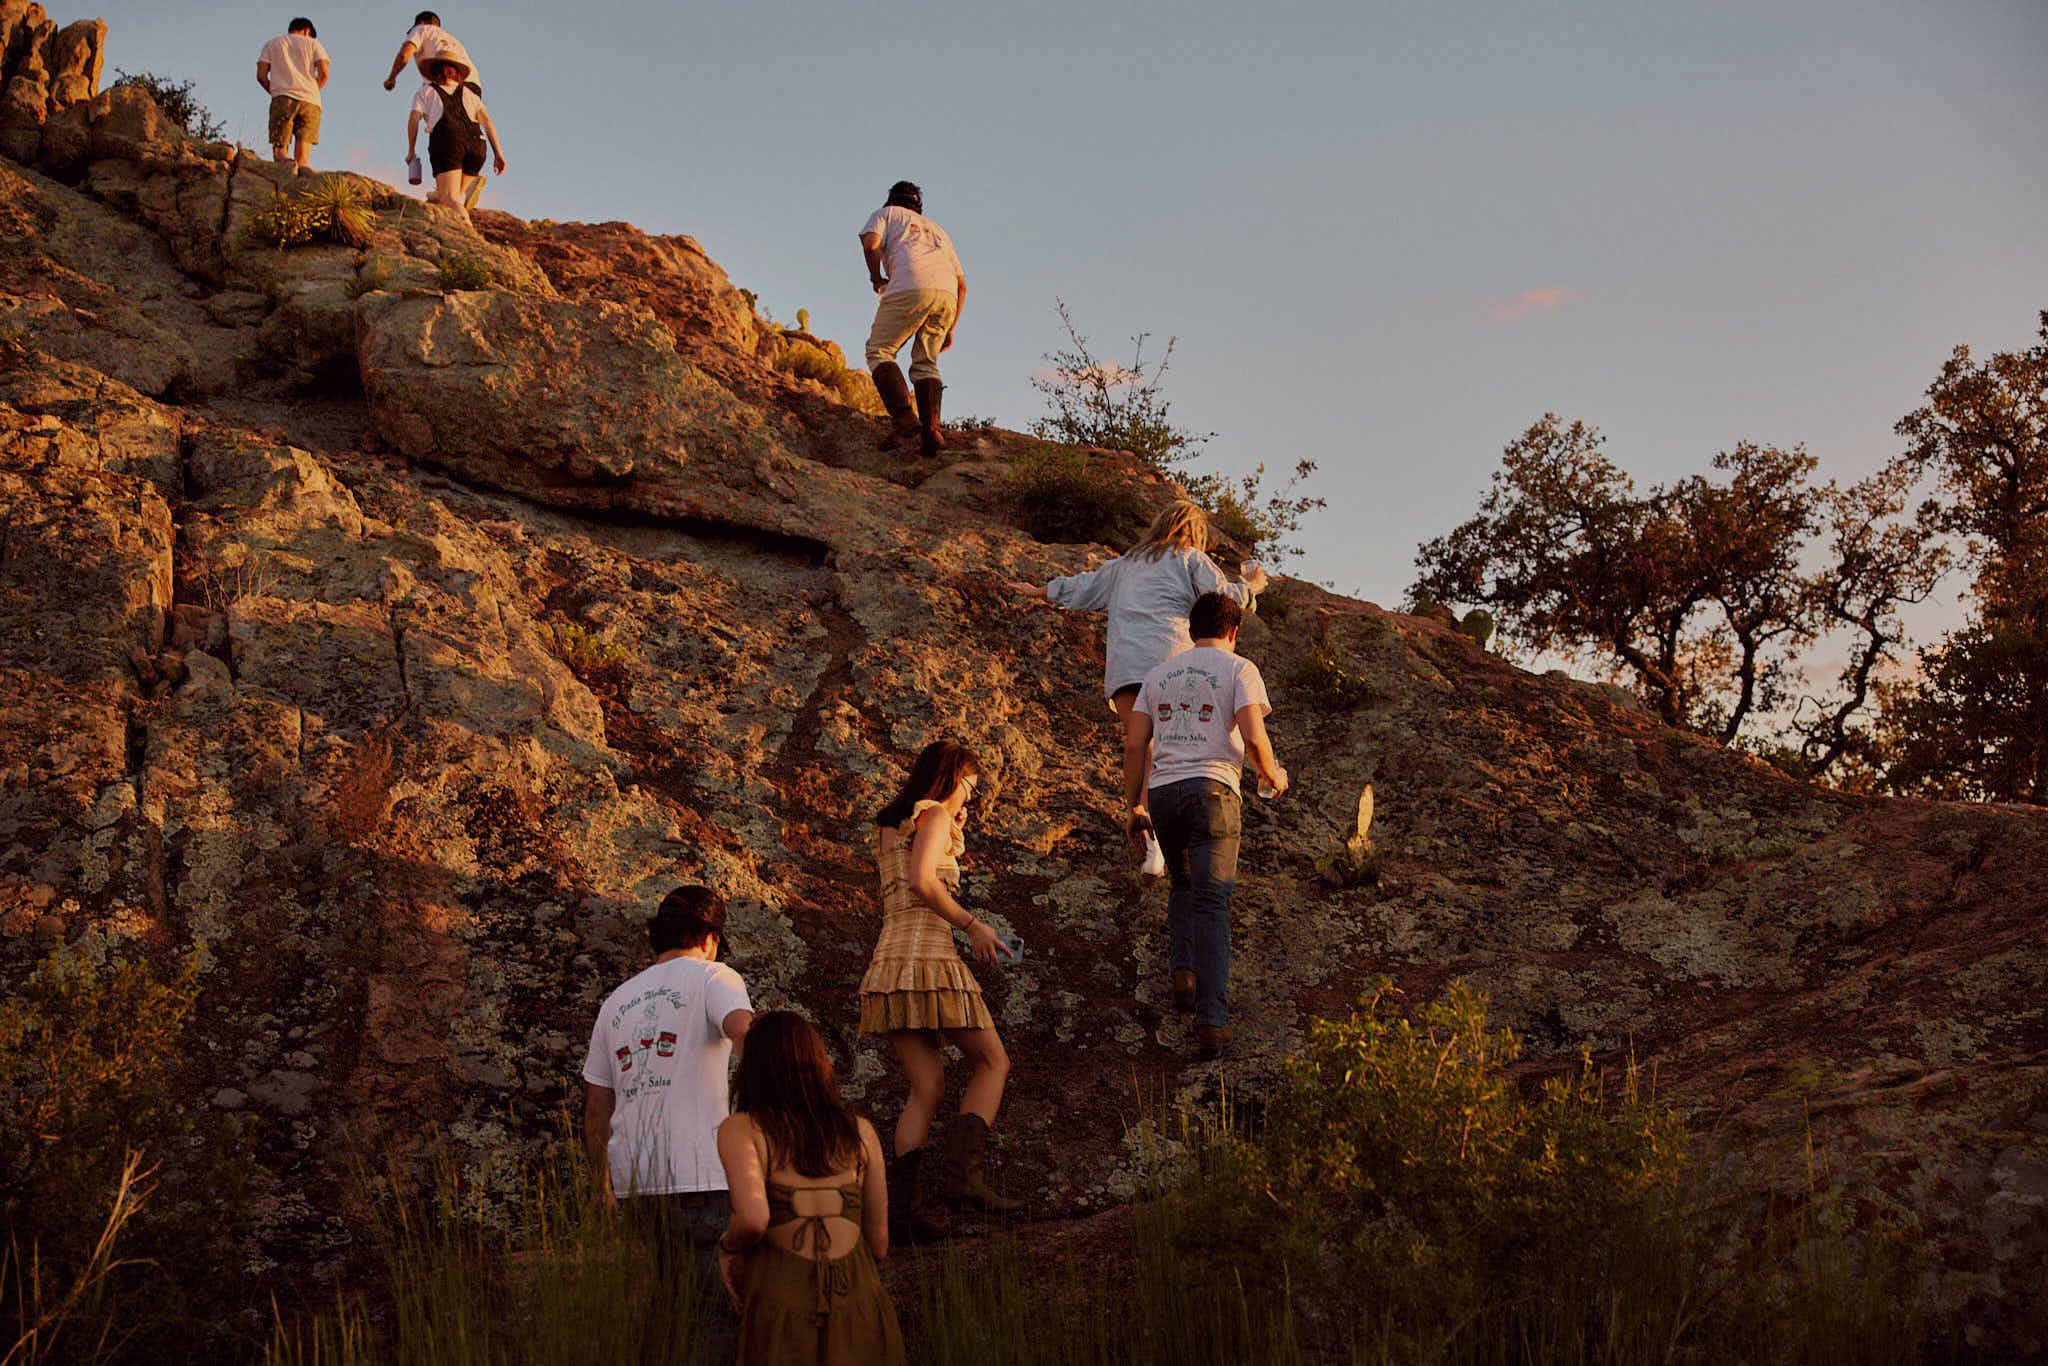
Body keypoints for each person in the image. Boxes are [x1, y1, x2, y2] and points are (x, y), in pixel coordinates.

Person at [1006, 499, 1268, 867]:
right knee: (1164, 746)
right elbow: (1222, 600)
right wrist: (1252, 585)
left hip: (1125, 666)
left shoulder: (1126, 563)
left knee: (1139, 741)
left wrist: (1041, 591)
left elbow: (1084, 588)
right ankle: (1161, 835)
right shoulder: (1191, 559)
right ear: (1196, 533)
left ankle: (1140, 813)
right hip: (1169, 661)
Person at [583, 885, 754, 1365]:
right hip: (699, 1176)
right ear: (710, 936)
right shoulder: (714, 976)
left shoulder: (617, 1000)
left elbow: (597, 1105)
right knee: (714, 1317)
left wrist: (603, 1186)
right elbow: (746, 1033)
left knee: (668, 1313)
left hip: (635, 1185)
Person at [856, 740, 1017, 1241]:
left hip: (890, 961)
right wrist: (973, 925)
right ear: (950, 779)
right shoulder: (935, 818)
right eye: (969, 788)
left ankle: (906, 1209)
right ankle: (962, 1181)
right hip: (928, 954)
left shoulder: (891, 826)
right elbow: (925, 883)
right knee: (993, 1062)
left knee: (926, 1088)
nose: (970, 800)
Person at [1123, 593, 1287, 1059]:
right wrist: (1274, 775)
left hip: (1164, 794)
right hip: (1213, 789)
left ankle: (1184, 975)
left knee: (1181, 885)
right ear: (1233, 631)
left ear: (1192, 628)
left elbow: (1136, 747)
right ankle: (1212, 1021)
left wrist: (1134, 806)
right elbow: (1254, 737)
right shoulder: (1239, 669)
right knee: (1213, 903)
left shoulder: (1157, 676)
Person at [716, 1012, 907, 1366]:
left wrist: (727, 1249)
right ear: (818, 1063)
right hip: (860, 1302)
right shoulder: (860, 1131)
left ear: (754, 1067)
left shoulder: (741, 1129)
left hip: (783, 1308)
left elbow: (754, 1220)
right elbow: (879, 1244)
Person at [859, 181, 966, 459]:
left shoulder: (887, 214)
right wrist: (951, 327)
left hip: (910, 285)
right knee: (926, 362)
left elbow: (870, 246)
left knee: (879, 350)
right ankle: (932, 432)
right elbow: (962, 284)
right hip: (947, 293)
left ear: (891, 200)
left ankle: (905, 418)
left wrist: (876, 278)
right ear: (918, 206)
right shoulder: (938, 231)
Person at [405, 49, 506, 218]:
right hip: (477, 145)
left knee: (449, 198)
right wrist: (498, 154)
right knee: (452, 197)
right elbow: (487, 122)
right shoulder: (470, 94)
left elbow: (413, 120)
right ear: (458, 74)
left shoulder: (425, 92)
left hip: (447, 141)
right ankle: (458, 193)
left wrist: (411, 150)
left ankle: (467, 231)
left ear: (434, 72)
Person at [254, 17, 329, 174]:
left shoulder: (272, 44)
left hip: (282, 97)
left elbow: (261, 75)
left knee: (281, 153)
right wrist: (313, 90)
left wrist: (276, 91)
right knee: (303, 161)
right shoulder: (315, 44)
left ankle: (282, 182)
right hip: (311, 101)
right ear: (307, 31)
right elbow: (324, 73)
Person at [382, 10, 483, 92]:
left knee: (425, 101)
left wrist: (391, 78)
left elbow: (404, 55)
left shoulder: (420, 29)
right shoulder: (453, 40)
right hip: (474, 87)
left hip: (447, 81)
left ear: (421, 22)